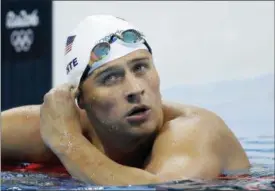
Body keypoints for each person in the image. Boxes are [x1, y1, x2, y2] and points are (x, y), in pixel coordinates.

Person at [1, 15, 250, 186]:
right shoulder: (47, 127)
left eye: (141, 68)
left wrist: (67, 144)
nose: (135, 89)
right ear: (81, 99)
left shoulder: (196, 129)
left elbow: (163, 189)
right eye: (110, 78)